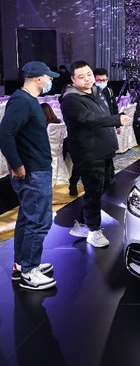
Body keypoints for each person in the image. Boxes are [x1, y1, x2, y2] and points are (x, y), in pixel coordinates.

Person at [0, 61, 58, 290]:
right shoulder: (22, 101)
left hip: (36, 168)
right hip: (33, 171)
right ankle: (29, 270)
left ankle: (22, 264)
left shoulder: (27, 100)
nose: (50, 81)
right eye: (48, 77)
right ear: (38, 78)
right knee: (39, 221)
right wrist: (16, 165)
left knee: (27, 219)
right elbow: (5, 134)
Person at [60, 61, 131, 248]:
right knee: (93, 192)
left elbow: (104, 114)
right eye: (81, 77)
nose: (87, 79)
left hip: (104, 148)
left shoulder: (98, 91)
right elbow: (90, 120)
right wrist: (116, 120)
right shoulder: (71, 100)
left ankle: (82, 223)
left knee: (103, 186)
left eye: (89, 74)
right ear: (73, 79)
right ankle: (93, 231)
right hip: (88, 152)